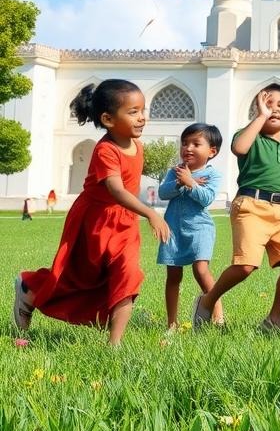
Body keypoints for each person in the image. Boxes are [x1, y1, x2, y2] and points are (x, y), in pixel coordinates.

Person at [14, 80, 170, 345]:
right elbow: (117, 190)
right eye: (133, 112)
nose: (142, 117)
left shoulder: (138, 146)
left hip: (124, 224)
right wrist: (151, 213)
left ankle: (115, 345)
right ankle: (29, 288)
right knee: (80, 278)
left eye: (143, 110)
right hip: (94, 222)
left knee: (127, 274)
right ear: (108, 119)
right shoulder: (105, 150)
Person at [192, 84, 280, 330]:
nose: (274, 110)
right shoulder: (250, 136)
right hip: (251, 206)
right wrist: (260, 117)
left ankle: (274, 317)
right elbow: (239, 148)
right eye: (268, 104)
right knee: (245, 266)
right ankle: (208, 300)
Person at [157, 123, 224, 328]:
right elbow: (163, 193)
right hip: (174, 229)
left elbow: (206, 199)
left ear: (212, 151)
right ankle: (172, 323)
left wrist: (191, 182)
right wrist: (180, 182)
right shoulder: (174, 172)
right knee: (173, 275)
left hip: (200, 228)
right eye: (185, 143)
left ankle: (217, 315)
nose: (188, 148)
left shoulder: (213, 175)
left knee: (201, 269)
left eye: (196, 143)